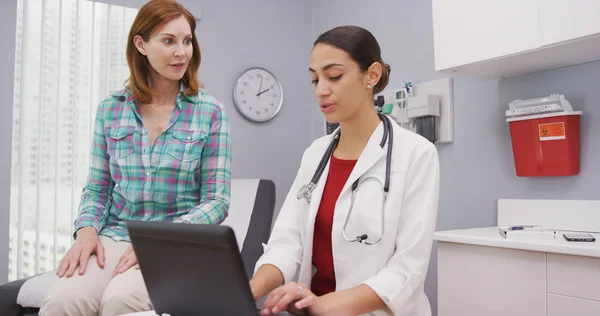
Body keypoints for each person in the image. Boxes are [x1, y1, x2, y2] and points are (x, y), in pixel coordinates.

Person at [39, 0, 231, 315]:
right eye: (169, 41)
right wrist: (86, 230)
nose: (181, 51)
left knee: (121, 300)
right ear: (141, 44)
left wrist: (161, 240)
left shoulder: (211, 111)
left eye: (187, 41)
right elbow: (98, 187)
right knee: (63, 300)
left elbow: (217, 200)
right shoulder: (110, 109)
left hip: (173, 240)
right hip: (114, 234)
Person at [249, 25, 439, 316]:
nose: (321, 90)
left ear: (371, 76)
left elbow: (407, 271)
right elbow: (286, 243)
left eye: (334, 76)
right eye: (314, 80)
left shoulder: (416, 154)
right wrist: (252, 288)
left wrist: (321, 305)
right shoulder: (315, 154)